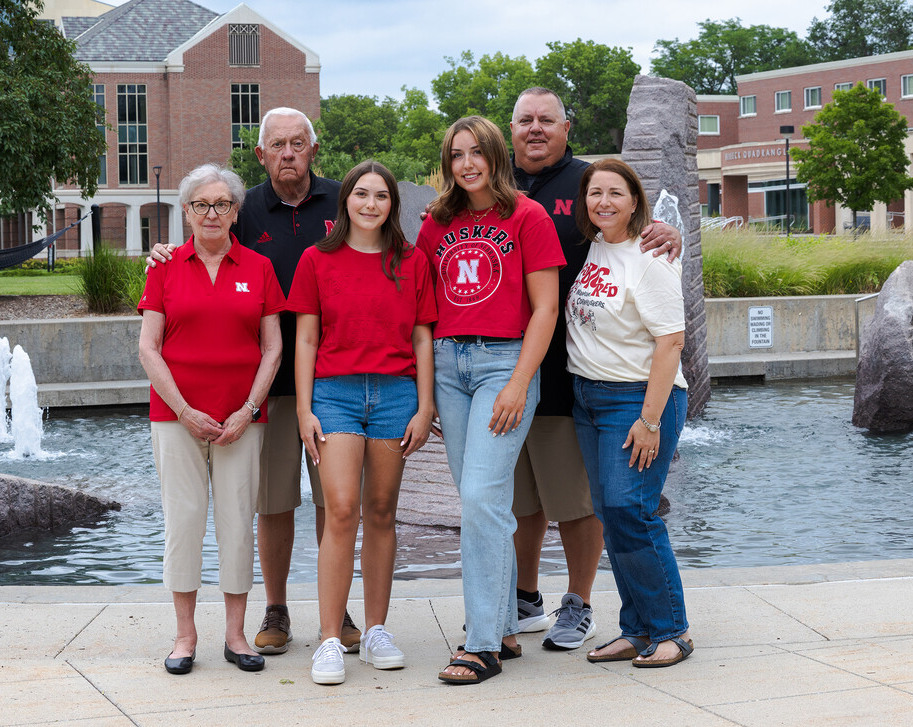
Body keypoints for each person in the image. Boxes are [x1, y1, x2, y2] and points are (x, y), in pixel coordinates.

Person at [148, 108, 364, 654]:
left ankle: (335, 614)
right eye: (277, 145)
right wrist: (164, 251)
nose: (288, 153)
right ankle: (276, 609)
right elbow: (205, 239)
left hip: (333, 378)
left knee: (334, 503)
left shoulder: (344, 202)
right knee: (271, 505)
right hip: (267, 390)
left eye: (297, 143)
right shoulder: (246, 210)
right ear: (261, 154)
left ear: (313, 149)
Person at [507, 87, 682, 650]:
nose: (536, 129)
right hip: (523, 374)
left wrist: (667, 232)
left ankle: (608, 612)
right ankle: (541, 603)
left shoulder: (591, 188)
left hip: (602, 387)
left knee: (606, 506)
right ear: (511, 128)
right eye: (525, 120)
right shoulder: (490, 181)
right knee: (534, 501)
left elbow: (670, 335)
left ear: (566, 127)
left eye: (547, 120)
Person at [415, 116, 564, 685]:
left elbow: (545, 309)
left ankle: (481, 646)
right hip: (450, 367)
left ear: (496, 157)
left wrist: (520, 382)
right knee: (484, 501)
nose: (467, 164)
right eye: (457, 155)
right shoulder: (438, 223)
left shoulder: (528, 217)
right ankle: (502, 624)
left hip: (505, 364)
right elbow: (424, 311)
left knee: (478, 496)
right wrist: (427, 393)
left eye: (477, 153)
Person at [289, 160, 438, 685]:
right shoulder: (315, 260)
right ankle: (330, 638)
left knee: (381, 511)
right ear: (346, 200)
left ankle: (376, 629)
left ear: (392, 204)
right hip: (336, 393)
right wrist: (305, 409)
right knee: (341, 510)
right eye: (361, 194)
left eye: (381, 196)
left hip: (397, 394)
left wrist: (425, 406)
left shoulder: (412, 260)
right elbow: (305, 339)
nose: (371, 204)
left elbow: (423, 338)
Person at [137, 163, 285, 674]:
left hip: (242, 419)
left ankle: (237, 635)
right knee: (184, 521)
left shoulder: (260, 268)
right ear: (186, 211)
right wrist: (183, 410)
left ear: (236, 211)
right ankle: (184, 636)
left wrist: (247, 411)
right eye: (201, 204)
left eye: (222, 203)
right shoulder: (164, 267)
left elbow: (273, 349)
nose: (212, 212)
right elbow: (148, 348)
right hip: (175, 417)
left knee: (237, 524)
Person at [565, 159, 692, 668]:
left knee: (632, 512)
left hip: (637, 399)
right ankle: (636, 629)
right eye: (595, 193)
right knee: (611, 516)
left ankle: (671, 630)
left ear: (635, 200)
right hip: (588, 399)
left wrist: (650, 420)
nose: (604, 203)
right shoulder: (596, 244)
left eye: (615, 193)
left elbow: (672, 342)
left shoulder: (650, 257)